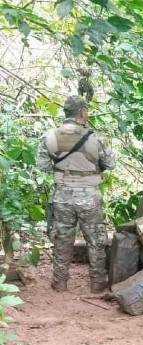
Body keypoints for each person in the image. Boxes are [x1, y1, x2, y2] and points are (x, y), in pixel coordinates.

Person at [37, 95, 116, 293]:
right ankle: (97, 283)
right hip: (89, 195)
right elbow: (111, 164)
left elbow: (43, 166)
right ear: (82, 112)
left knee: (62, 238)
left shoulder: (49, 136)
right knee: (96, 239)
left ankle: (60, 282)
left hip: (62, 195)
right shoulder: (96, 138)